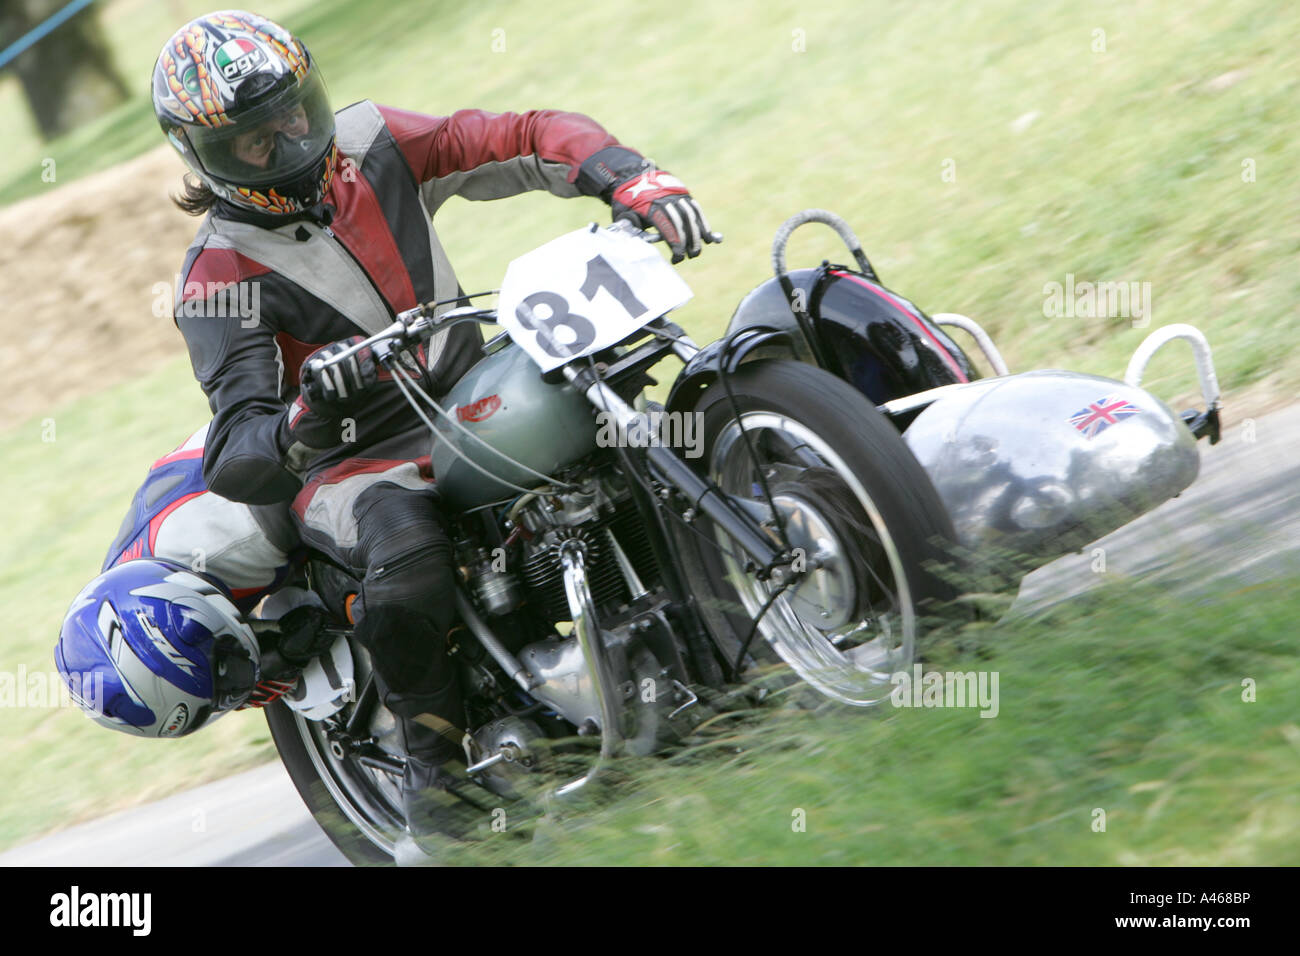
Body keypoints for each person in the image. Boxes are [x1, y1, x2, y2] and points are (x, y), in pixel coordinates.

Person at [151, 10, 717, 842]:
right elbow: (238, 447)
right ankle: (436, 780)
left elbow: (513, 137)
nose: (287, 142)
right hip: (347, 462)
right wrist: (310, 411)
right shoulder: (217, 276)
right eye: (254, 141)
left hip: (464, 389)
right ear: (206, 157)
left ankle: (698, 617)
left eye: (292, 113)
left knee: (618, 419)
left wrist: (628, 177)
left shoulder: (374, 142)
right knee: (408, 544)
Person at [55, 423, 330, 738]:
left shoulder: (245, 533)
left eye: (223, 668)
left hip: (293, 444)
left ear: (192, 624)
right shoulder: (134, 592)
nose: (234, 688)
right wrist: (277, 655)